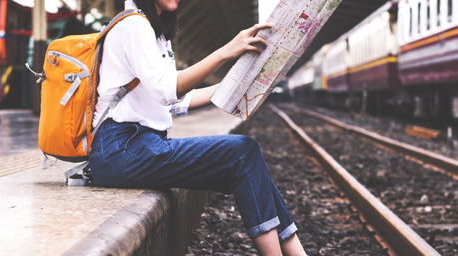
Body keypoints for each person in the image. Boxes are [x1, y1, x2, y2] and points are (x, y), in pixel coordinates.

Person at [88, 0, 306, 255]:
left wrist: (242, 83)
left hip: (137, 146)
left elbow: (175, 102)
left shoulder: (155, 32)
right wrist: (227, 51)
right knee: (243, 152)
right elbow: (166, 90)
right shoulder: (134, 24)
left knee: (248, 161)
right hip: (121, 149)